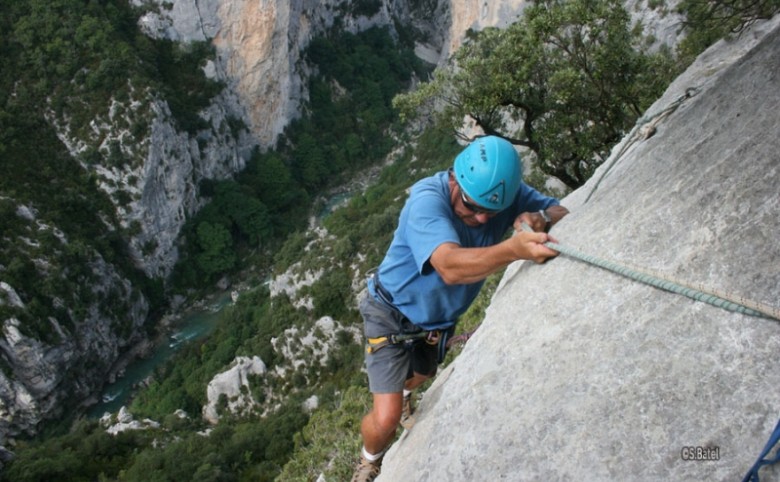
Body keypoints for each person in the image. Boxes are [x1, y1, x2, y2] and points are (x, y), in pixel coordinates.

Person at [350, 135, 569, 482]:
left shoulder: (501, 193)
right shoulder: (426, 199)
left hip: (438, 320)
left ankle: (407, 393)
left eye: (491, 211)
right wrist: (514, 249)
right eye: (472, 206)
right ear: (455, 177)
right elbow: (449, 266)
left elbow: (561, 209)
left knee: (421, 375)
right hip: (390, 312)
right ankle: (368, 461)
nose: (482, 218)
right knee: (387, 417)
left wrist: (539, 214)